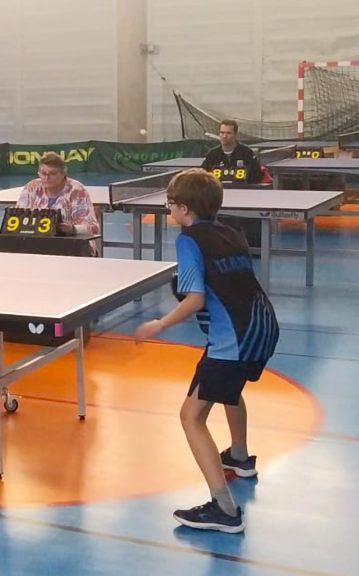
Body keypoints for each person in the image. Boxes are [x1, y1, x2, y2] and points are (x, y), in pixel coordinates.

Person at [134, 169, 279, 533]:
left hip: (231, 342)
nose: (168, 209)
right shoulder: (232, 231)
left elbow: (195, 298)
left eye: (170, 204)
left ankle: (224, 509)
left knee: (191, 417)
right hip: (263, 329)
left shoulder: (188, 241)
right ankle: (240, 457)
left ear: (184, 208)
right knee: (231, 389)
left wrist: (159, 324)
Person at [15, 152, 101, 254]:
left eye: (52, 174)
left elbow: (94, 228)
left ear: (63, 173)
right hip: (37, 245)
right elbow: (17, 218)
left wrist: (73, 229)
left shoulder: (77, 191)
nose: (46, 178)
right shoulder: (31, 188)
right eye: (43, 173)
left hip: (73, 246)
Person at [201, 120, 263, 248]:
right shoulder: (212, 154)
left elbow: (257, 176)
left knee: (251, 226)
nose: (224, 136)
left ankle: (253, 248)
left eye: (228, 133)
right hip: (219, 197)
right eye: (222, 133)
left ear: (235, 134)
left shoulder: (246, 153)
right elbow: (203, 176)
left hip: (244, 197)